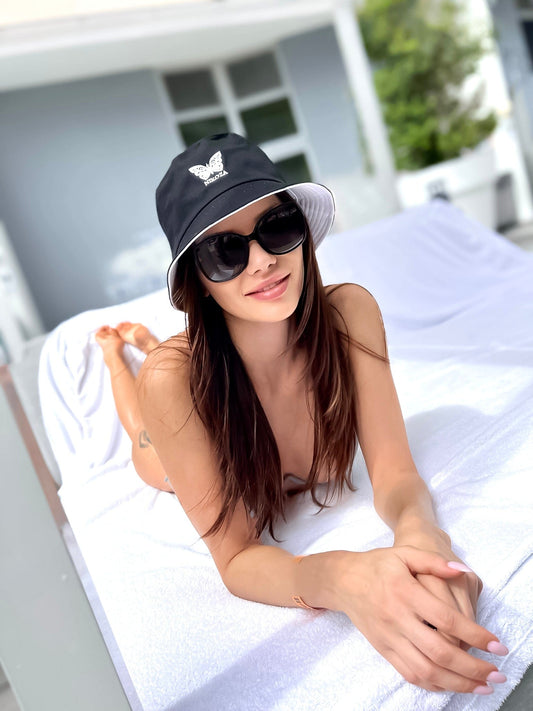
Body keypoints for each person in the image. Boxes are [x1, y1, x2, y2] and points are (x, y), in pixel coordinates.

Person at [96, 133, 508, 696]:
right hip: (175, 432)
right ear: (199, 282)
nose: (264, 260)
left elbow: (395, 475)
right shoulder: (174, 382)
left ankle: (144, 342)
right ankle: (116, 354)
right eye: (224, 252)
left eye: (276, 227)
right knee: (145, 444)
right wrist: (343, 578)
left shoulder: (349, 314)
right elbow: (237, 557)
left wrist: (423, 540)